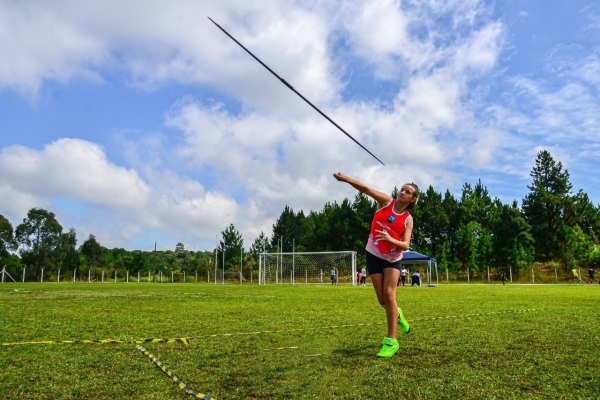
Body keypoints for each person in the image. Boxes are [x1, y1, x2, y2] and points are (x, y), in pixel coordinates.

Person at [334, 172, 419, 358]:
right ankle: (398, 314)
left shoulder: (408, 219)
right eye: (402, 189)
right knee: (382, 300)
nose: (403, 192)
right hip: (373, 253)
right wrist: (345, 179)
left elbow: (405, 245)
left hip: (393, 258)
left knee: (389, 294)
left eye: (408, 192)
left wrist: (390, 239)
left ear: (413, 199)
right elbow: (366, 189)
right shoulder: (386, 201)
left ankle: (391, 342)